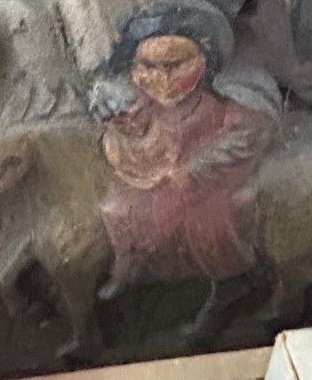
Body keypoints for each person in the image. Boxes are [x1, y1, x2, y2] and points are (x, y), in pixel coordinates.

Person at [98, 30, 275, 311]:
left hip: (201, 181)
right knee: (115, 209)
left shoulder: (215, 105)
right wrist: (120, 134)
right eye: (149, 67)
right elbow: (135, 134)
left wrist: (195, 167)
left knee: (206, 221)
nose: (161, 78)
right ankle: (126, 266)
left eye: (172, 66)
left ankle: (227, 281)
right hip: (154, 175)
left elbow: (245, 135)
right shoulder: (144, 103)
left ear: (200, 62)